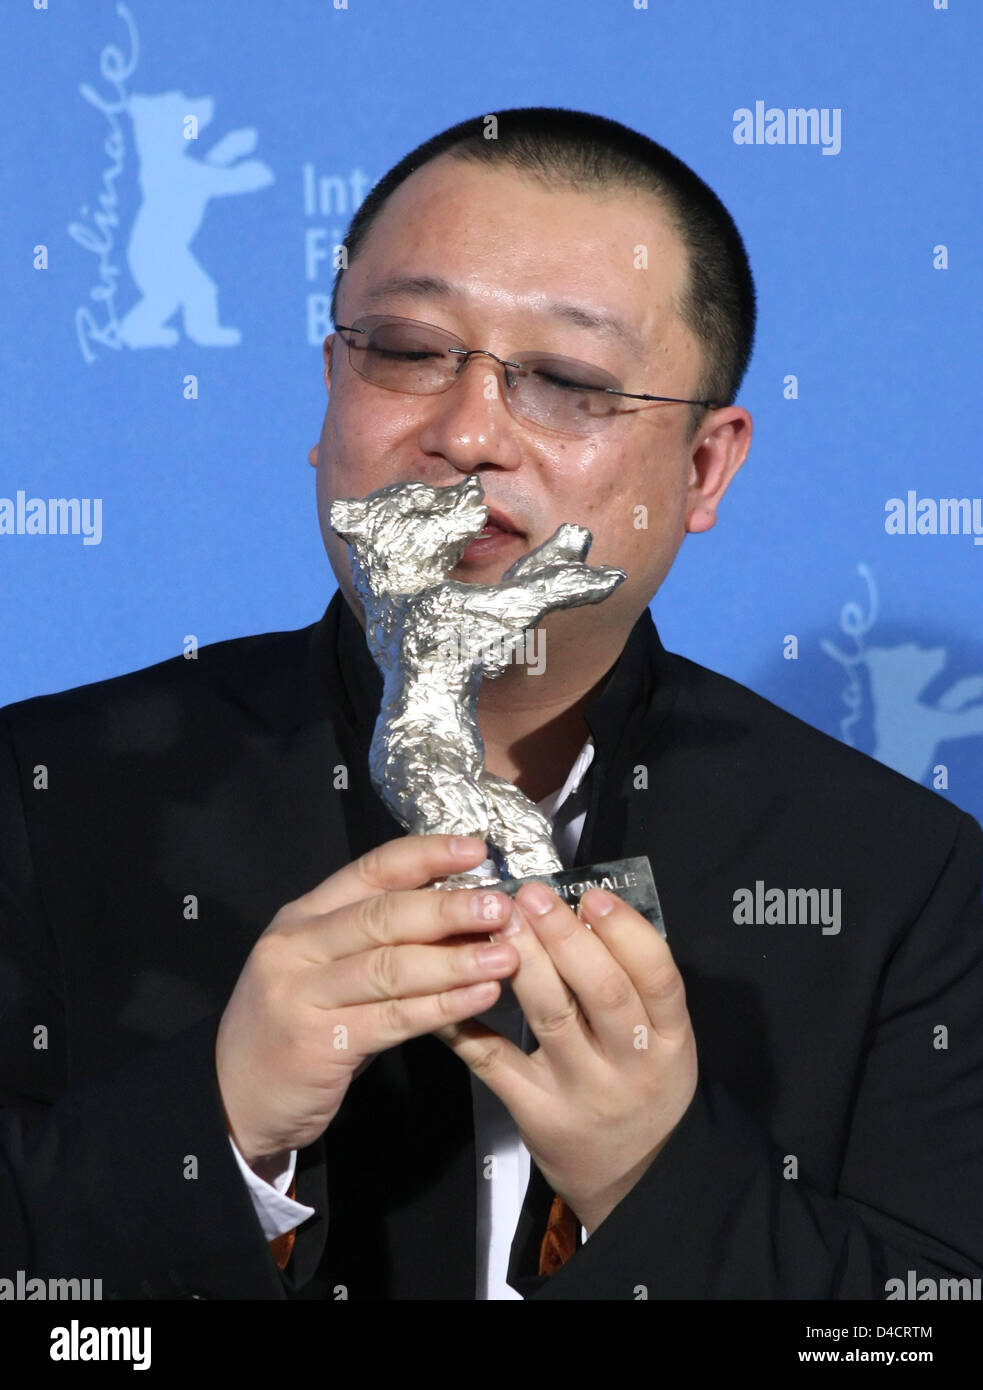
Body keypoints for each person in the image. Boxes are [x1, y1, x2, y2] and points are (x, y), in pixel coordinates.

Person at [1, 108, 981, 1302]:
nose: (464, 433)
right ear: (327, 389)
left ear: (703, 468)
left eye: (565, 380)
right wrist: (221, 1128)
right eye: (407, 351)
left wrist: (651, 1185)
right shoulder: (47, 797)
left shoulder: (901, 877)